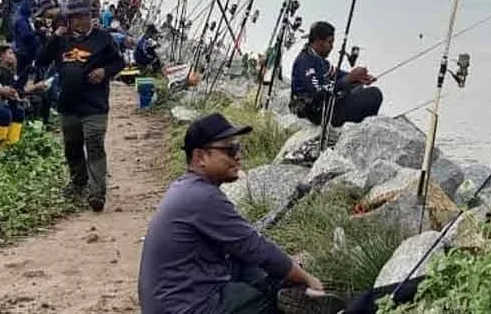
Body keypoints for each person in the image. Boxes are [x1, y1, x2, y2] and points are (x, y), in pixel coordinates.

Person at [138, 112, 343, 314]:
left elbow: (243, 247)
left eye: (238, 147)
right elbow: (255, 246)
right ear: (200, 157)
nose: (238, 156)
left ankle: (283, 291)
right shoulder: (202, 197)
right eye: (229, 149)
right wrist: (307, 278)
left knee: (253, 267)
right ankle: (286, 298)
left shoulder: (188, 188)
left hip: (174, 299)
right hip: (185, 306)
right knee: (267, 300)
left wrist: (287, 267)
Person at [36, 0, 125, 212]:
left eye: (82, 16)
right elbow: (41, 59)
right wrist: (55, 37)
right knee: (72, 148)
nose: (78, 21)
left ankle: (97, 194)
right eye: (73, 17)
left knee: (94, 147)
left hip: (94, 105)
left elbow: (118, 62)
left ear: (90, 17)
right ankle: (78, 182)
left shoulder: (103, 38)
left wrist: (104, 71)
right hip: (68, 105)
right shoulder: (61, 40)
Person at [290, 22, 382, 128]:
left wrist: (360, 78)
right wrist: (348, 79)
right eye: (330, 42)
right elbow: (318, 94)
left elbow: (337, 74)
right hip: (314, 114)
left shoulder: (319, 60)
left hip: (324, 108)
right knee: (374, 94)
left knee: (358, 88)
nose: (332, 47)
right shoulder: (305, 62)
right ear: (319, 41)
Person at [0, 43, 52, 124]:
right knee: (36, 100)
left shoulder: (9, 72)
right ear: (2, 57)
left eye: (13, 53)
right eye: (10, 53)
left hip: (17, 96)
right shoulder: (0, 73)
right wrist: (35, 87)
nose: (14, 56)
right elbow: (10, 91)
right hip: (9, 101)